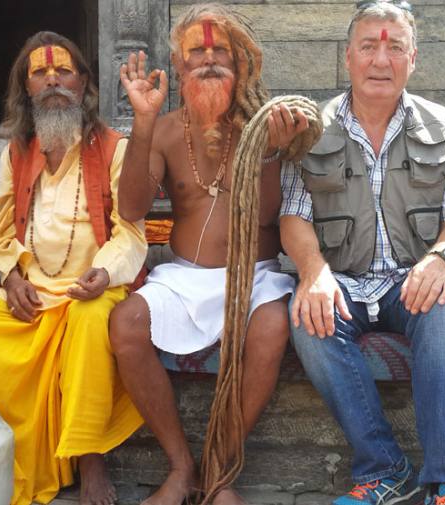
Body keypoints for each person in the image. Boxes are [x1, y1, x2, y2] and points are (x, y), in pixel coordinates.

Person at [108, 3, 308, 504]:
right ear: (178, 66)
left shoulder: (268, 125)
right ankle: (180, 467)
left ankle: (219, 472)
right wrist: (144, 121)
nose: (210, 59)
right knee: (125, 325)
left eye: (222, 50)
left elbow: (266, 218)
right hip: (183, 278)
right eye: (197, 51)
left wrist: (269, 153)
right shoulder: (166, 128)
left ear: (241, 63)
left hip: (255, 275)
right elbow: (131, 207)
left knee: (273, 325)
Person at [280, 2, 445, 504]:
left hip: (414, 276)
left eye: (394, 47)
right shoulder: (310, 129)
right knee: (307, 316)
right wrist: (313, 272)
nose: (380, 59)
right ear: (348, 57)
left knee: (444, 305)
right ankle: (384, 468)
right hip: (341, 276)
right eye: (368, 46)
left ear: (415, 58)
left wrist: (442, 258)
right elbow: (294, 216)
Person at [0, 31, 147, 505]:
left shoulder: (114, 148)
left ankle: (90, 459)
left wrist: (104, 273)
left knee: (88, 323)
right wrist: (12, 277)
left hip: (93, 287)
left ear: (83, 85)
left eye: (64, 71)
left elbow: (132, 233)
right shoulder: (18, 152)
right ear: (26, 88)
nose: (53, 80)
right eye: (40, 72)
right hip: (32, 290)